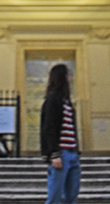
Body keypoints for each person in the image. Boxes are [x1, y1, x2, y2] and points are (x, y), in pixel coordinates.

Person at [40, 64, 80, 204]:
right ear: (62, 77)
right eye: (68, 75)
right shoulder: (52, 100)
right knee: (55, 198)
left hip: (72, 154)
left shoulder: (67, 102)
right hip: (61, 154)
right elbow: (48, 128)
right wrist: (54, 154)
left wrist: (76, 150)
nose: (70, 78)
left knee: (71, 197)